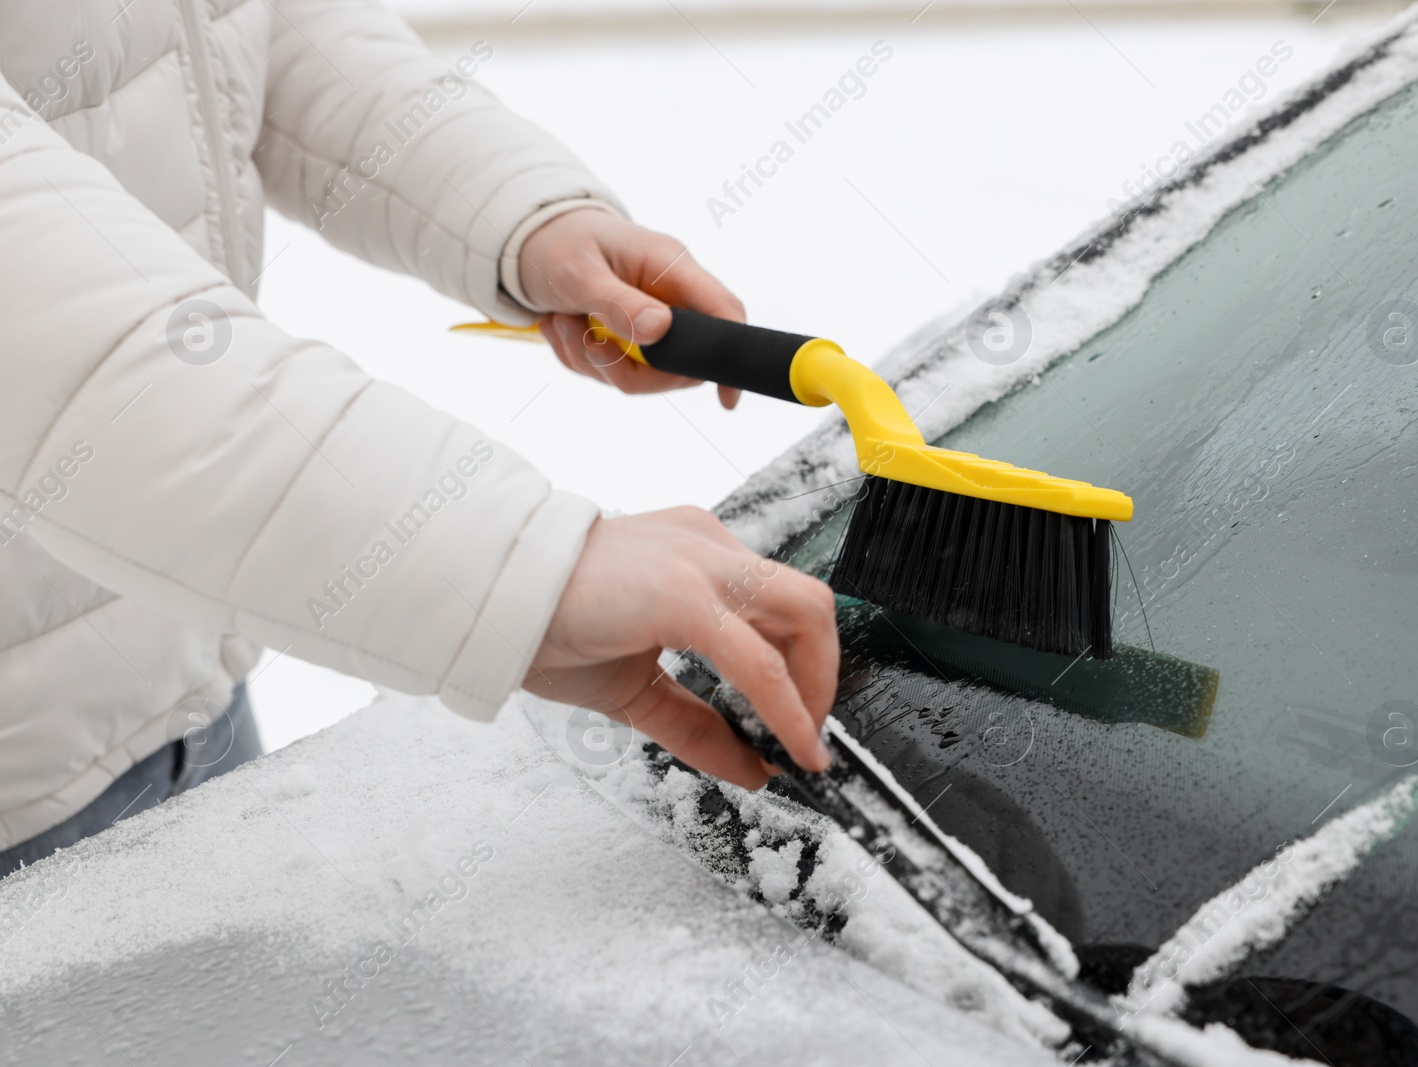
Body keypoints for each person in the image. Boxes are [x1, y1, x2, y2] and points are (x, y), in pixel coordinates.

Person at [0, 1, 836, 877]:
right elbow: (57, 346)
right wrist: (514, 570)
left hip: (186, 668)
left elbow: (236, 31)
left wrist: (518, 211)